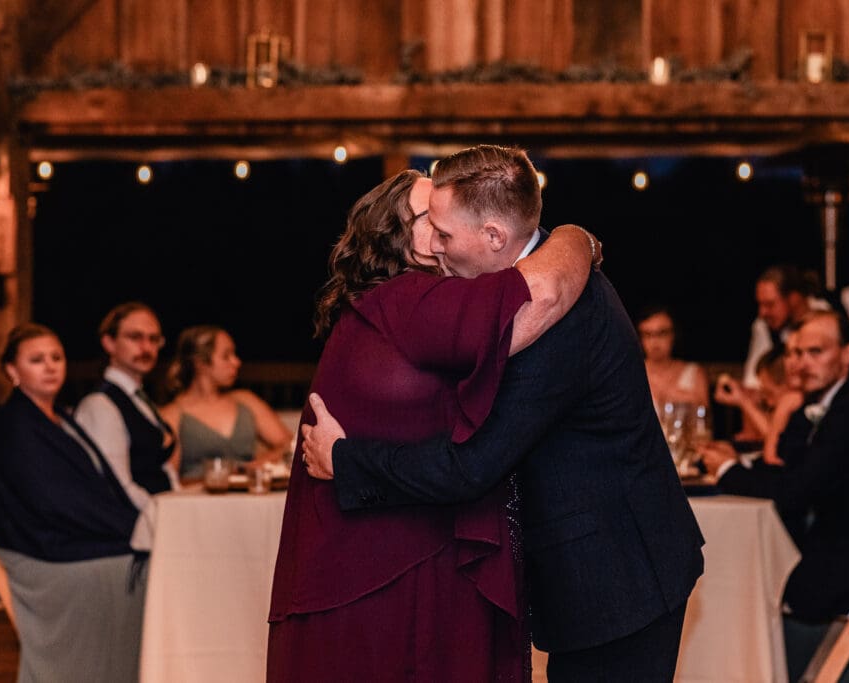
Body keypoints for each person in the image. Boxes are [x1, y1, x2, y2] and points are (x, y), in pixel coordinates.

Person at [300, 145, 705, 682]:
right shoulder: (533, 284)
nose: (436, 248)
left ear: (493, 236)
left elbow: (471, 466)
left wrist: (345, 460)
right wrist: (579, 238)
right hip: (609, 568)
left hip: (619, 580)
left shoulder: (550, 322)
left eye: (444, 234)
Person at [267, 164, 599, 682]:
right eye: (433, 216)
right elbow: (541, 292)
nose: (449, 223)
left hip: (379, 552)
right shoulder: (410, 300)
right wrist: (576, 239)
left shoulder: (379, 306)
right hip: (388, 569)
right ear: (397, 236)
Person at [699, 310, 849, 681]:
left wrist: (728, 472)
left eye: (816, 352)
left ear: (848, 354)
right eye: (797, 353)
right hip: (842, 544)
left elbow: (795, 491)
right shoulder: (831, 401)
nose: (801, 363)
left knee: (740, 582)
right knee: (747, 569)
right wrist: (745, 459)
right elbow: (790, 465)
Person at [0, 323, 148, 683]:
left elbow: (92, 492)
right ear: (12, 371)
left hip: (65, 532)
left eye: (57, 357)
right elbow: (50, 501)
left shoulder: (61, 418)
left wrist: (132, 526)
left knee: (147, 557)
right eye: (37, 360)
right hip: (35, 548)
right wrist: (130, 529)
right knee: (136, 568)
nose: (50, 367)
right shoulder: (11, 425)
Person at [742, 264, 849, 392]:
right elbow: (753, 383)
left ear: (794, 298)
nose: (763, 312)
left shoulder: (844, 302)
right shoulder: (764, 327)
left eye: (770, 304)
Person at [75, 302, 177, 518]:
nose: (146, 347)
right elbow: (116, 486)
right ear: (109, 343)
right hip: (135, 524)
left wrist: (181, 500)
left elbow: (160, 463)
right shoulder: (101, 404)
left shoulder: (140, 399)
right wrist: (165, 513)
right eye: (135, 337)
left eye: (153, 339)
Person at [159, 325, 292, 484]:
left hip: (248, 491)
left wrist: (256, 465)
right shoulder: (173, 414)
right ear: (200, 363)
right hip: (196, 495)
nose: (236, 362)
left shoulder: (245, 400)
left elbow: (289, 444)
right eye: (226, 356)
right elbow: (169, 477)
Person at [635, 304, 709, 415]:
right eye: (648, 334)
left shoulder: (693, 373)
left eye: (661, 333)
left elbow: (704, 415)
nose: (655, 341)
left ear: (673, 335)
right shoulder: (633, 373)